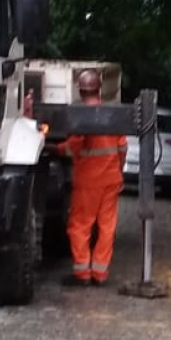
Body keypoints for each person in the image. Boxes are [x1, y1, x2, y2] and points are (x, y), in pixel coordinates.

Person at [56, 69, 127, 287]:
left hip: (88, 182)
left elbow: (71, 149)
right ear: (99, 88)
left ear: (80, 89)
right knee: (107, 227)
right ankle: (100, 273)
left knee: (80, 226)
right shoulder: (110, 115)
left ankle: (83, 274)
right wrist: (118, 170)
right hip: (111, 179)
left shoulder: (80, 118)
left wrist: (51, 148)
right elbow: (123, 147)